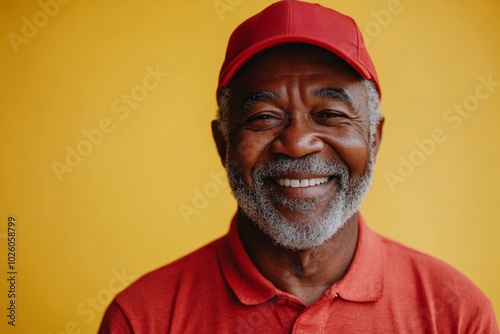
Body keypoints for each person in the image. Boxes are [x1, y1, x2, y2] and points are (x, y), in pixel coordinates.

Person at [99, 1, 499, 333]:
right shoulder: (142, 318)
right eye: (263, 117)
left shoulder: (456, 314)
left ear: (374, 138)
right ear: (223, 144)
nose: (296, 143)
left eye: (330, 114)